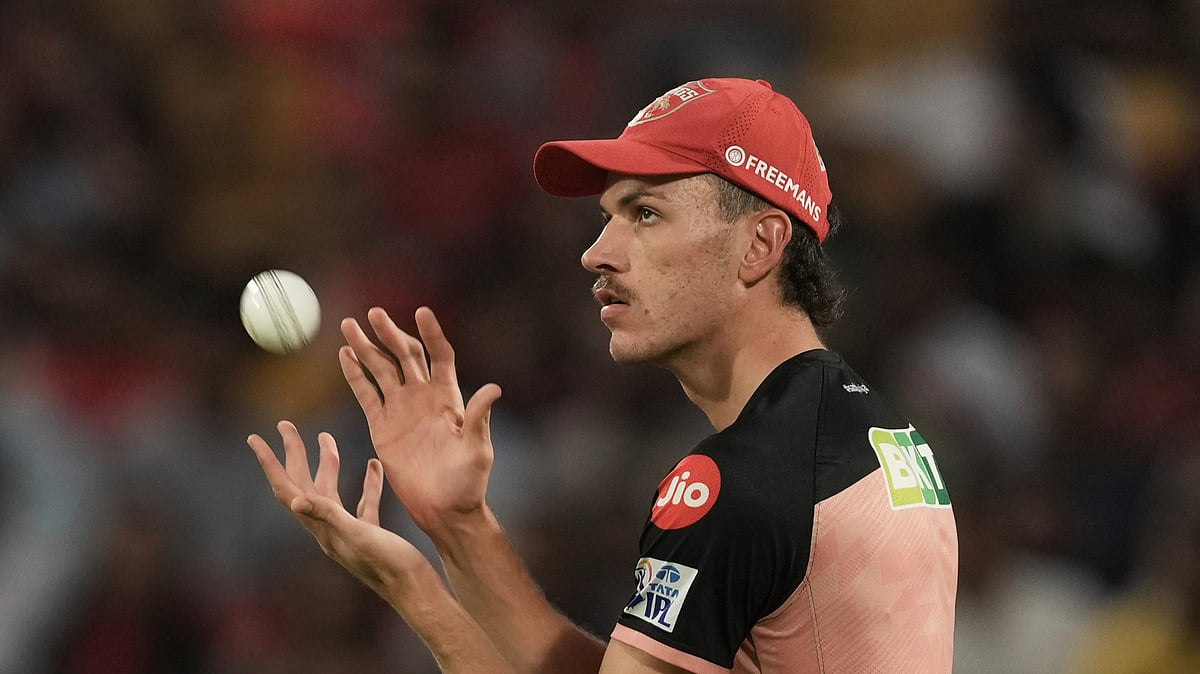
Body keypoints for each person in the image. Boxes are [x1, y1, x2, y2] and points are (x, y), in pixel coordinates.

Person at [249, 77, 958, 673]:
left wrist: (412, 589)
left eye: (645, 213)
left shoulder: (740, 485)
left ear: (760, 244)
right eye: (607, 216)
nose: (596, 253)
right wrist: (458, 527)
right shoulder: (869, 435)